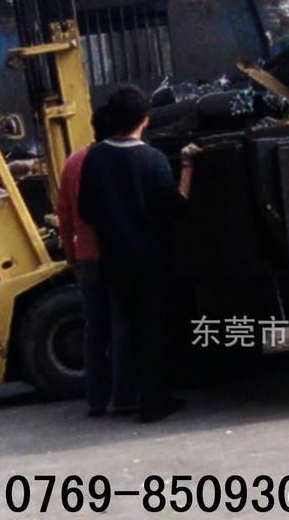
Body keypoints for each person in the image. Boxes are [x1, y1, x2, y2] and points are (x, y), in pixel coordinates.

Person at [77, 87, 198, 423]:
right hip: (151, 260)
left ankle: (134, 396)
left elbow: (85, 212)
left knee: (126, 329)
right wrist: (187, 165)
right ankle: (153, 403)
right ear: (145, 119)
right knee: (153, 331)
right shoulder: (153, 159)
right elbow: (177, 207)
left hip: (114, 261)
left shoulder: (95, 158)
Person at [57, 105, 138, 418]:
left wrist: (70, 253)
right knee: (121, 326)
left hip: (87, 259)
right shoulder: (119, 160)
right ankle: (124, 396)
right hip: (118, 257)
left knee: (94, 329)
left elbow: (64, 214)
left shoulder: (73, 162)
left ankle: (96, 399)